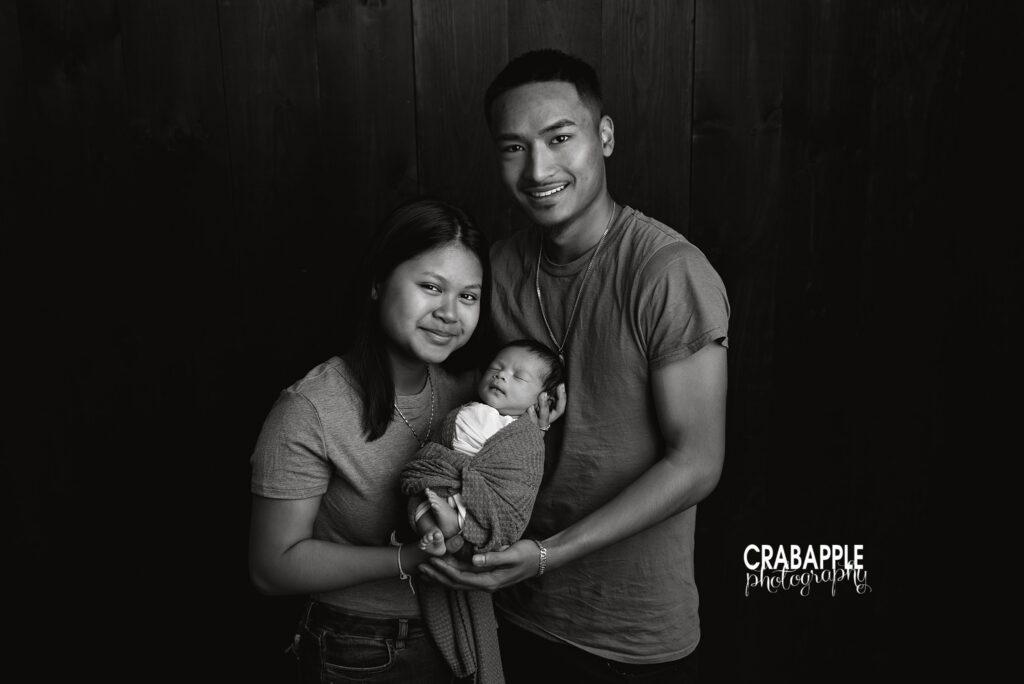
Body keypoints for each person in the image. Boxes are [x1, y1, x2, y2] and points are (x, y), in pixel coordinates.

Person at [419, 49, 730, 683]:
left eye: (560, 137)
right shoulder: (500, 266)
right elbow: (452, 392)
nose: (538, 169)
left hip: (629, 633)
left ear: (605, 136)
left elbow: (697, 463)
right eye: (513, 147)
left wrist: (546, 555)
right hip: (507, 607)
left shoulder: (666, 272)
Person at [248, 198, 491, 683]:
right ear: (379, 283)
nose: (450, 313)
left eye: (468, 296)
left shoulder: (469, 391)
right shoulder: (311, 407)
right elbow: (271, 567)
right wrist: (410, 557)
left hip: (464, 638)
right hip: (360, 647)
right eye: (430, 287)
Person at [402, 339, 565, 559]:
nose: (501, 375)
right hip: (445, 477)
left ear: (543, 399)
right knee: (418, 496)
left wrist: (537, 432)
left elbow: (520, 481)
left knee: (476, 510)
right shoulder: (468, 409)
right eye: (496, 368)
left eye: (518, 376)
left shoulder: (524, 435)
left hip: (483, 493)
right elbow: (437, 447)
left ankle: (456, 523)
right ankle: (432, 532)